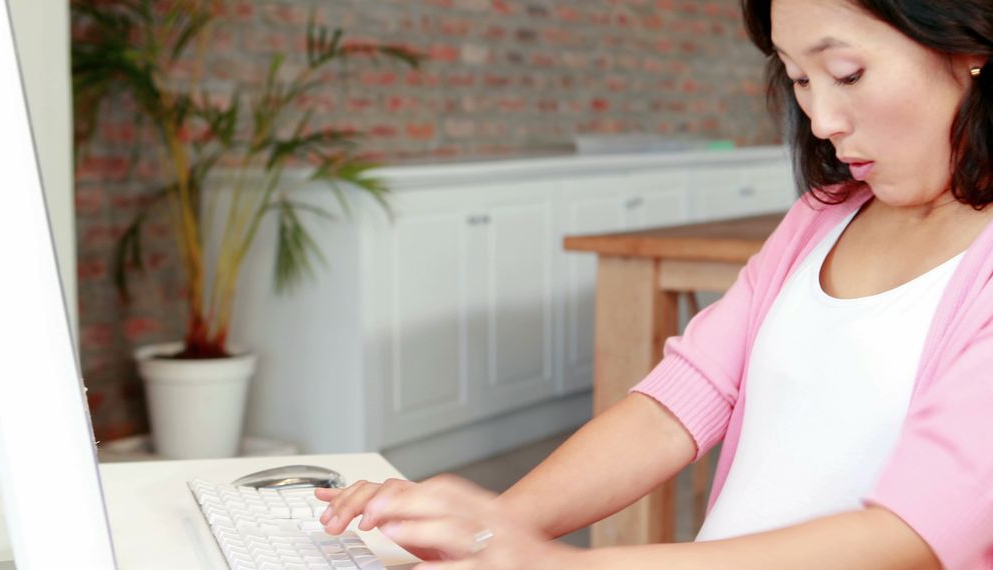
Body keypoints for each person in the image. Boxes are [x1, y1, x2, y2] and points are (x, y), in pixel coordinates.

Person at [316, 0, 993, 567]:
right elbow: (680, 401)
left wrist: (566, 566)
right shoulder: (825, 215)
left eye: (846, 72)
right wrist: (481, 529)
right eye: (799, 79)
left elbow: (912, 533)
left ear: (968, 42)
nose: (821, 120)